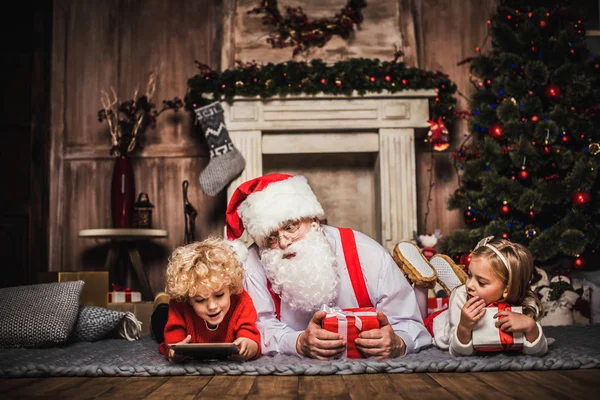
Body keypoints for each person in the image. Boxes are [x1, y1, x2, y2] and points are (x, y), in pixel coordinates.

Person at [225, 173, 431, 360]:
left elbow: (412, 325)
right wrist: (297, 342)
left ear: (314, 219)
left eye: (290, 227)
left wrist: (399, 342)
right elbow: (256, 326)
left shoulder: (366, 253)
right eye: (271, 237)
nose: (284, 243)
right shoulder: (254, 262)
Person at [397, 236, 548, 357]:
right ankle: (422, 283)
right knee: (419, 326)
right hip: (440, 325)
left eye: (481, 282)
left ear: (507, 290)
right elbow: (457, 352)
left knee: (463, 290)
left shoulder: (527, 304)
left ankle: (457, 283)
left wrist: (531, 328)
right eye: (469, 275)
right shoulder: (461, 296)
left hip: (459, 305)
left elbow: (538, 351)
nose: (469, 285)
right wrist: (464, 327)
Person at [156, 237, 261, 361]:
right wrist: (174, 350)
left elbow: (250, 335)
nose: (212, 306)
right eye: (200, 300)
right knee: (159, 325)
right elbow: (173, 338)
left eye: (219, 295)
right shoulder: (179, 303)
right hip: (167, 317)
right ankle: (161, 303)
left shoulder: (241, 300)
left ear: (230, 288)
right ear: (188, 299)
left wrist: (249, 345)